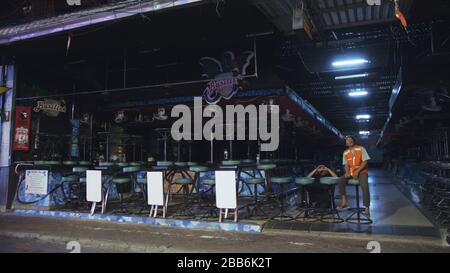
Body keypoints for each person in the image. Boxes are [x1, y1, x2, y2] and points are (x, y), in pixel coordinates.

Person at [338, 135, 371, 217]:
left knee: (365, 186)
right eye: (347, 140)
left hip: (362, 171)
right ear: (346, 143)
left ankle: (367, 207)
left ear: (353, 141)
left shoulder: (361, 148)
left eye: (350, 139)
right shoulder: (345, 152)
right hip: (351, 172)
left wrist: (358, 171)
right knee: (341, 179)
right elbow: (346, 164)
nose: (349, 141)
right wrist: (347, 172)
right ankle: (344, 200)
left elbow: (365, 161)